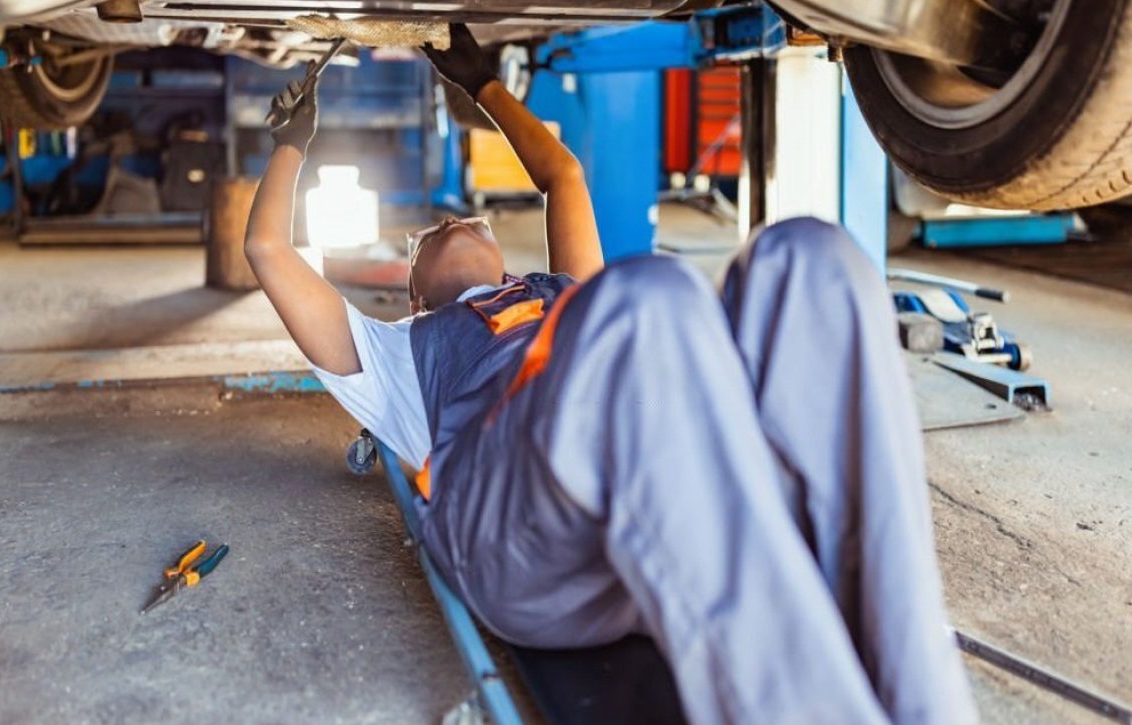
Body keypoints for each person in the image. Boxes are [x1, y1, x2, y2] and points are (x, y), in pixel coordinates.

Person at [244, 24, 977, 725]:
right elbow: (271, 252)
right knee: (649, 296)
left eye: (466, 221)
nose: (452, 221)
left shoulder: (561, 295)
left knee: (812, 261)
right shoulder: (395, 353)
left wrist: (484, 86)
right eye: (428, 235)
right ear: (414, 293)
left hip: (651, 505)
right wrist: (291, 146)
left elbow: (561, 176)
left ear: (509, 263)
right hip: (518, 543)